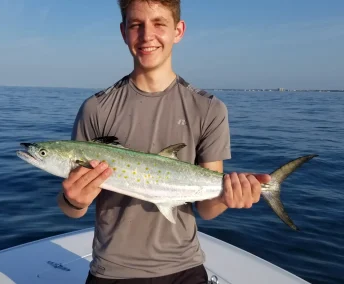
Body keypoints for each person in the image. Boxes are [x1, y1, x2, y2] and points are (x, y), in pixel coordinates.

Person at [57, 0, 271, 283]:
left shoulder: (208, 108)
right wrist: (73, 201)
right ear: (124, 32)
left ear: (178, 31)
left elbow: (207, 209)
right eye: (136, 25)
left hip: (184, 269)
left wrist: (228, 196)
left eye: (159, 24)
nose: (147, 36)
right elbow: (71, 208)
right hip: (111, 271)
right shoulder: (96, 109)